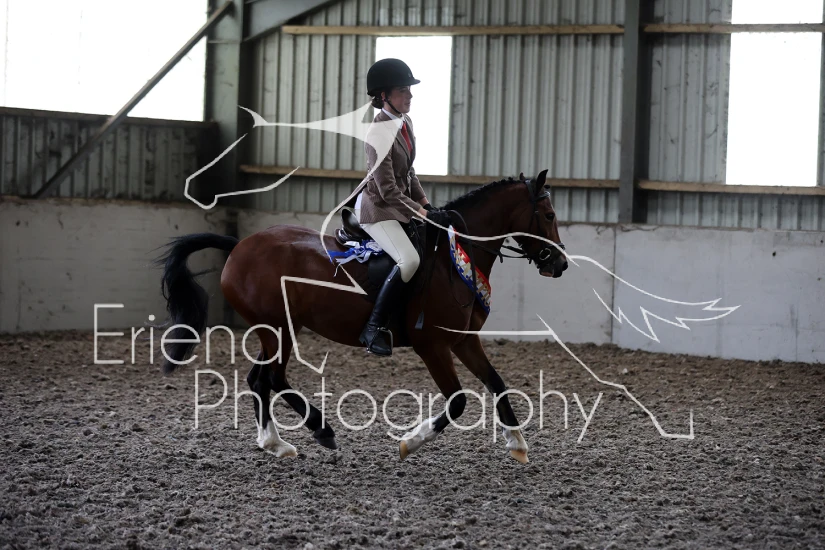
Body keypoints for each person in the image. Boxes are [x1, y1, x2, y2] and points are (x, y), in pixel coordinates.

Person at [351, 58, 451, 356]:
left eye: (409, 90)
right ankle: (373, 328)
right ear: (384, 96)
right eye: (403, 90)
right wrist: (422, 214)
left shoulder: (405, 123)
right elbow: (387, 190)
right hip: (377, 208)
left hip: (399, 204)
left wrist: (427, 204)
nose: (410, 95)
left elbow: (409, 173)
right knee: (409, 260)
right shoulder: (378, 132)